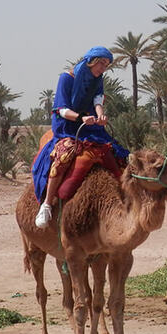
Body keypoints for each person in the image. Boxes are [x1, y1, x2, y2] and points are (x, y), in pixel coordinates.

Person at [33, 46, 129, 228]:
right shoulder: (67, 78)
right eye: (101, 63)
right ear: (91, 61)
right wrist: (80, 117)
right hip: (67, 124)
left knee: (118, 153)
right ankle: (46, 204)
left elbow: (97, 101)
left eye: (106, 65)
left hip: (89, 125)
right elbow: (61, 108)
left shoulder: (97, 79)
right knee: (64, 154)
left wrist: (100, 116)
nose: (103, 68)